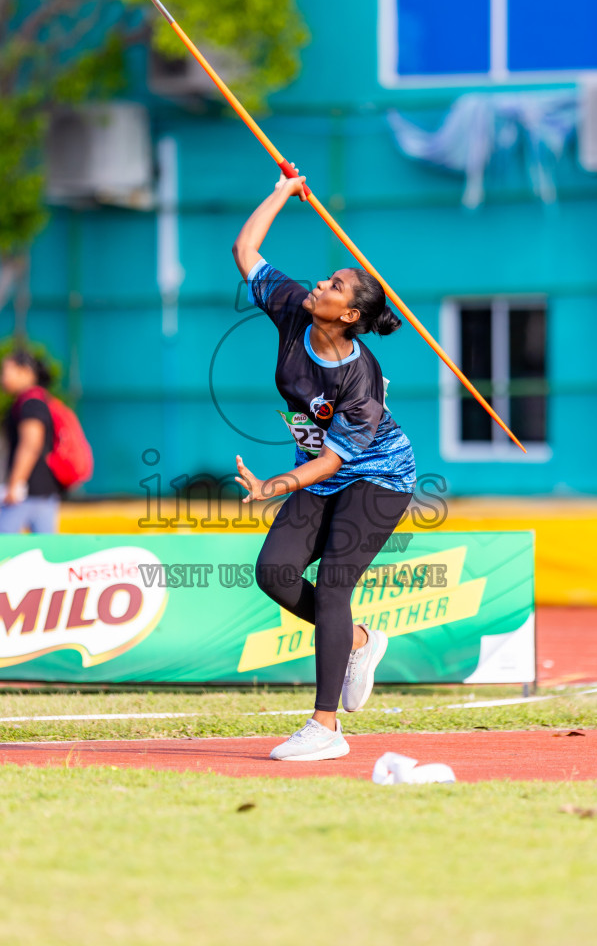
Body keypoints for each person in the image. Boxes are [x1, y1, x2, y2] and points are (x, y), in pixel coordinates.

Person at [232, 170, 417, 761]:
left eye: (334, 284)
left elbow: (336, 458)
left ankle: (326, 727)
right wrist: (282, 192)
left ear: (351, 316)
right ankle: (360, 642)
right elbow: (245, 251)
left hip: (379, 475)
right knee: (275, 574)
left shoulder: (361, 381)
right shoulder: (294, 309)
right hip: (320, 469)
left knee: (335, 584)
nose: (319, 283)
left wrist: (272, 485)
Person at [0, 350, 62, 534]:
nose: (1, 378)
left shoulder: (31, 403)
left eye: (5, 371)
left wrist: (15, 485)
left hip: (26, 494)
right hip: (45, 492)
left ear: (24, 371)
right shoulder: (40, 400)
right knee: (48, 552)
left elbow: (31, 444)